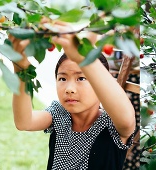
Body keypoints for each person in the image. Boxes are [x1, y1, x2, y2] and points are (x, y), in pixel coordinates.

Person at [9, 20, 137, 169]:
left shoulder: (111, 125)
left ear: (98, 83)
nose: (69, 89)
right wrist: (21, 69)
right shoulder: (59, 115)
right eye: (62, 78)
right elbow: (24, 122)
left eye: (81, 78)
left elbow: (127, 121)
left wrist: (83, 58)